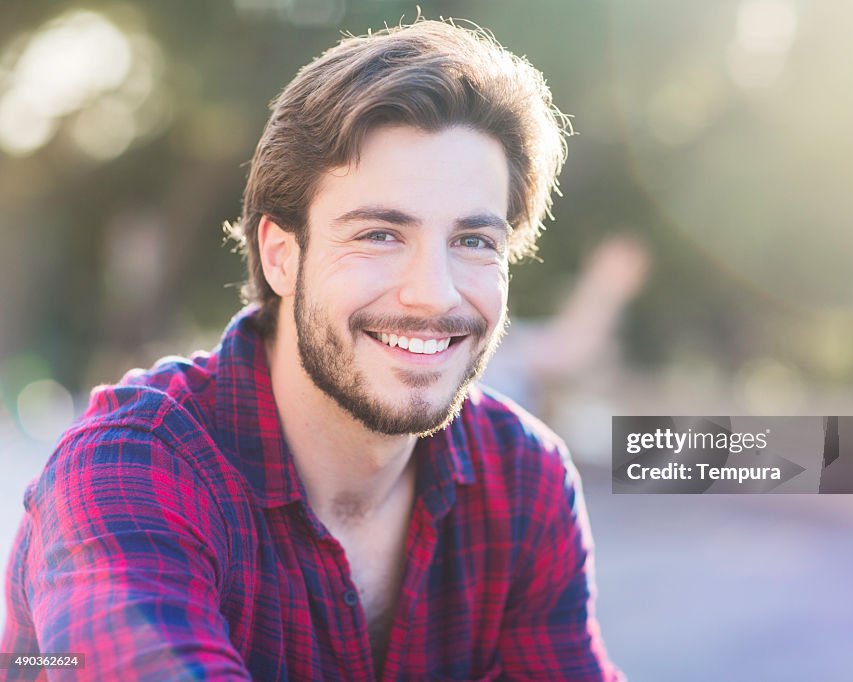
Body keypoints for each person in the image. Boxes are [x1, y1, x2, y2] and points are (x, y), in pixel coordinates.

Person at [1, 19, 622, 681]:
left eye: (474, 242)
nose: (434, 295)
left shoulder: (523, 478)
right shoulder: (131, 469)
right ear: (280, 255)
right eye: (381, 234)